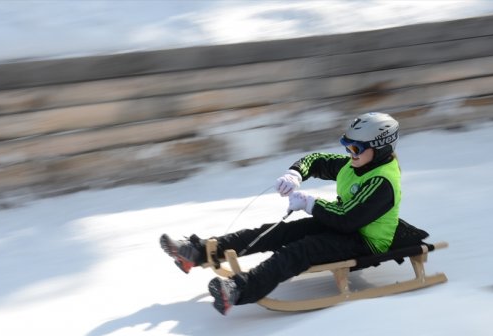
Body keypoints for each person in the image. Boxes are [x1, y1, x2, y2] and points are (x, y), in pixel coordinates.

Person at [161, 112, 404, 315]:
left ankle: (238, 289)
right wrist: (295, 174)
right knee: (277, 232)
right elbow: (318, 160)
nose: (350, 153)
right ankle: (199, 251)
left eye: (356, 148)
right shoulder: (357, 164)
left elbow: (348, 219)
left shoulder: (382, 182)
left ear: (380, 149)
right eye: (347, 146)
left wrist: (311, 204)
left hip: (365, 241)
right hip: (342, 227)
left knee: (301, 250)